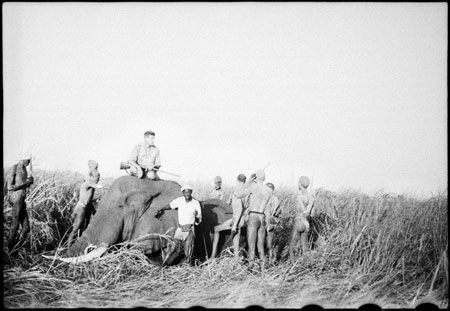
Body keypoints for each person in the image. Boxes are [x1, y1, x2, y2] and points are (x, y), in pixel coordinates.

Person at [154, 185, 202, 263]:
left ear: (191, 192)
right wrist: (161, 209)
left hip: (189, 230)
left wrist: (196, 216)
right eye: (185, 192)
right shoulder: (179, 201)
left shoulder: (196, 203)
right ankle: (168, 263)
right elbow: (170, 205)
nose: (187, 194)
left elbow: (199, 219)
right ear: (183, 193)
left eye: (189, 192)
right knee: (173, 247)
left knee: (188, 251)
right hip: (180, 229)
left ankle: (186, 266)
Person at [210, 173, 249, 259]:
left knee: (216, 229)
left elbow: (239, 210)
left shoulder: (238, 193)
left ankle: (213, 256)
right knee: (236, 240)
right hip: (241, 219)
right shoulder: (246, 192)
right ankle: (236, 258)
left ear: (237, 181)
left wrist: (234, 226)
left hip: (237, 219)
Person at [242, 169, 272, 268]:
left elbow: (241, 192)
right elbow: (268, 208)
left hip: (253, 216)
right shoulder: (268, 190)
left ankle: (251, 267)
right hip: (262, 216)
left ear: (256, 177)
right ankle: (263, 268)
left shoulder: (253, 187)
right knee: (260, 245)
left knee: (251, 245)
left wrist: (250, 180)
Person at [67, 169, 104, 246]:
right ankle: (68, 246)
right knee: (76, 228)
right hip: (80, 208)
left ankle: (78, 244)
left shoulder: (92, 187)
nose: (98, 179)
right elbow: (98, 186)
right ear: (92, 177)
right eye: (97, 177)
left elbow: (88, 200)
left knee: (83, 228)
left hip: (84, 209)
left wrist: (93, 209)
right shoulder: (87, 183)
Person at [5, 152, 34, 251]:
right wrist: (25, 183)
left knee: (26, 228)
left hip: (22, 200)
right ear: (22, 159)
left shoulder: (25, 170)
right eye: (28, 161)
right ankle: (10, 250)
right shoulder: (14, 168)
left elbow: (24, 186)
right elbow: (10, 187)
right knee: (15, 225)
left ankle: (16, 247)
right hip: (16, 199)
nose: (29, 163)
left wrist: (29, 183)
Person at [289, 176, 314, 261]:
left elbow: (302, 209)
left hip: (299, 220)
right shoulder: (311, 197)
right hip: (306, 223)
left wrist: (303, 210)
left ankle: (292, 262)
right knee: (305, 247)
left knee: (292, 244)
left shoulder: (298, 196)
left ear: (300, 184)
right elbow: (309, 212)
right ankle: (305, 263)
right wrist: (306, 212)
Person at [264, 182, 281, 263]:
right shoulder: (276, 199)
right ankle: (270, 259)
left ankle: (265, 258)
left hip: (266, 222)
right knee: (270, 242)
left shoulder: (265, 198)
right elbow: (278, 212)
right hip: (273, 222)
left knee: (263, 241)